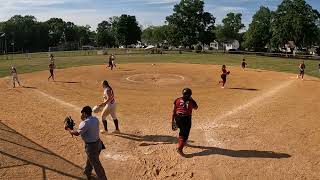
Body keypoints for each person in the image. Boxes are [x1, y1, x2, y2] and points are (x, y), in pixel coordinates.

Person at [65, 106, 108, 180]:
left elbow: (76, 133)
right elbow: (86, 128)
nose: (81, 115)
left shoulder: (85, 123)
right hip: (98, 144)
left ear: (84, 113)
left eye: (82, 113)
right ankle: (87, 173)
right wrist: (82, 120)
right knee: (91, 159)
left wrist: (68, 128)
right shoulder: (95, 119)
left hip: (91, 146)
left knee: (96, 165)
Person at [172, 88, 198, 156]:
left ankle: (181, 142)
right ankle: (180, 149)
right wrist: (192, 99)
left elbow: (173, 111)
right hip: (186, 118)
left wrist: (172, 121)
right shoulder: (191, 101)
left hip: (177, 118)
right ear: (190, 94)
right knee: (185, 135)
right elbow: (196, 108)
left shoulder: (177, 99)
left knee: (181, 131)